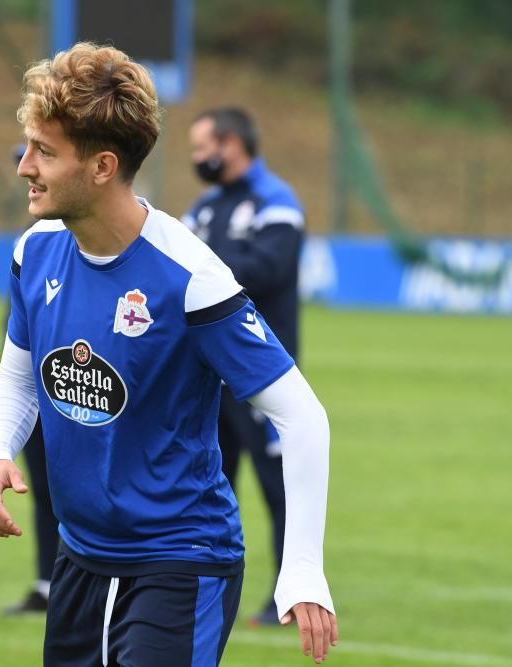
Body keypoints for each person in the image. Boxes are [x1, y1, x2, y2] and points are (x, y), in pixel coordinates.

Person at [0, 43, 337, 666]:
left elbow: (303, 416)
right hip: (80, 559)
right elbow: (17, 379)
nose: (23, 167)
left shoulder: (190, 276)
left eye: (45, 152)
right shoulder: (33, 253)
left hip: (181, 562)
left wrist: (302, 568)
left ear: (102, 166)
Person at [182, 107, 306, 627]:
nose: (196, 159)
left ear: (231, 143)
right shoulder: (205, 207)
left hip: (259, 375)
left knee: (280, 489)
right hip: (207, 378)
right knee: (203, 488)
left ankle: (289, 599)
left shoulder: (275, 200)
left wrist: (205, 273)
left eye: (201, 147)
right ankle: (197, 594)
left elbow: (272, 269)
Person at [2, 144, 61, 616]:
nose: (26, 171)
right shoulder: (34, 242)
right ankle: (47, 582)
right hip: (38, 385)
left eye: (42, 157)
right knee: (41, 486)